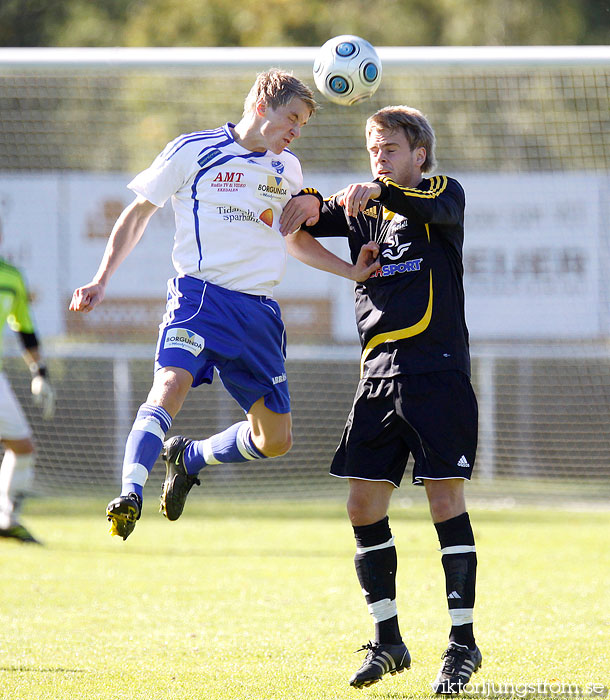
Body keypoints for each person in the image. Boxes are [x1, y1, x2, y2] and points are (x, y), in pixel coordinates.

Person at [69, 69, 379, 542]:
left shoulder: (288, 169)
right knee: (170, 385)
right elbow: (138, 213)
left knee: (275, 441)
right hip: (201, 298)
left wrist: (349, 270)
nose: (296, 131)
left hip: (258, 312)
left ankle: (190, 458)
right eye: (291, 118)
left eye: (302, 124)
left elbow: (293, 239)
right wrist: (100, 278)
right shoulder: (194, 150)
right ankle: (130, 492)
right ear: (261, 107)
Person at [279, 105, 481, 694]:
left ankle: (463, 645)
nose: (380, 156)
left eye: (390, 147)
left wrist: (372, 192)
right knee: (362, 507)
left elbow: (423, 203)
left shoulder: (442, 194)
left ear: (419, 155)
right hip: (377, 376)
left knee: (445, 501)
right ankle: (389, 641)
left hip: (437, 372)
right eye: (373, 148)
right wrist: (314, 203)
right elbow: (294, 230)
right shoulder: (365, 210)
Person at [0, 258, 55, 544]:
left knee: (22, 447)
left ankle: (5, 520)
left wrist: (39, 372)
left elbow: (24, 328)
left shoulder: (11, 276)